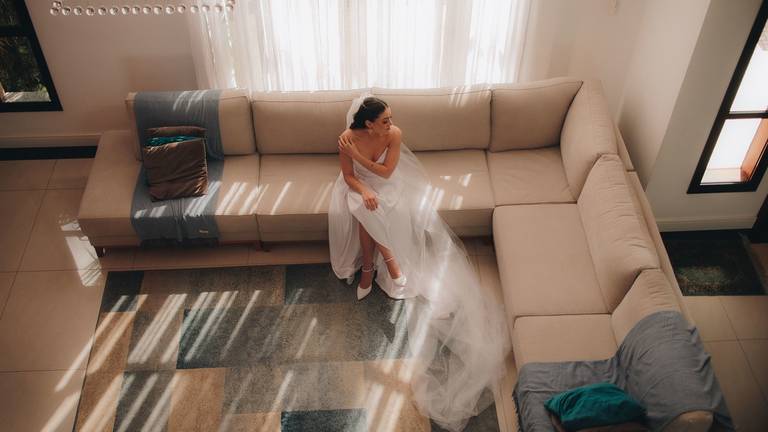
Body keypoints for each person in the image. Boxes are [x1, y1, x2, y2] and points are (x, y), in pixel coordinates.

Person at [328, 94, 511, 431]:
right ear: (368, 123)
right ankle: (387, 264)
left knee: (373, 209)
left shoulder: (394, 135)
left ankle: (372, 266)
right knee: (362, 205)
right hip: (359, 187)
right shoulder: (347, 139)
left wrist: (361, 161)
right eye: (384, 120)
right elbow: (349, 176)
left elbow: (387, 172)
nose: (391, 123)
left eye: (390, 118)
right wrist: (362, 186)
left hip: (389, 185)